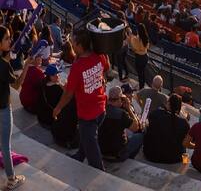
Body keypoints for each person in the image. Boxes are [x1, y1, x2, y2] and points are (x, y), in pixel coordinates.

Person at [52, 28, 109, 170]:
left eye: (72, 41)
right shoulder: (99, 56)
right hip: (101, 109)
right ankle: (79, 155)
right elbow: (105, 69)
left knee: (94, 159)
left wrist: (58, 108)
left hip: (87, 115)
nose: (70, 42)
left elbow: (69, 94)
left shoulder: (77, 67)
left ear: (79, 45)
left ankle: (101, 178)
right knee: (86, 138)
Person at [0, 25, 31, 188]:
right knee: (5, 145)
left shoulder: (4, 63)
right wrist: (26, 65)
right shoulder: (4, 66)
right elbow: (17, 85)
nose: (10, 40)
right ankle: (11, 179)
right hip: (3, 108)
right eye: (6, 38)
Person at [99, 86, 143, 162]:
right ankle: (129, 158)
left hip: (102, 151)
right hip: (117, 154)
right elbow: (136, 128)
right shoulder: (122, 114)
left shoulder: (101, 108)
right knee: (140, 136)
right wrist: (129, 108)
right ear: (119, 99)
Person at [143, 94, 189, 164]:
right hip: (173, 158)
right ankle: (185, 162)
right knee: (184, 144)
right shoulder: (183, 122)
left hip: (151, 154)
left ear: (168, 103)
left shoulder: (156, 113)